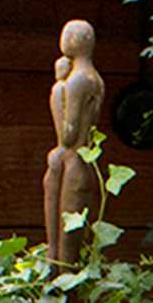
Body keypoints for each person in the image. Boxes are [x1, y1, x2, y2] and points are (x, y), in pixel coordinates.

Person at [42, 21, 105, 265]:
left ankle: (63, 298)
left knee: (64, 255)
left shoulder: (77, 80)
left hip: (73, 165)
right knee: (69, 246)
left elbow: (67, 135)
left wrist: (58, 88)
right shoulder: (95, 78)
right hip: (82, 164)